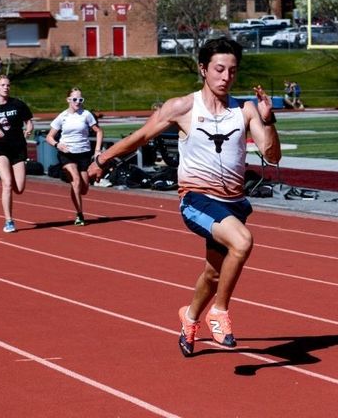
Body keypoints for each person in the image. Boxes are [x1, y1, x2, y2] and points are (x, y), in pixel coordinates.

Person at [88, 36, 280, 356]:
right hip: (197, 199)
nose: (225, 77)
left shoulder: (244, 110)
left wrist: (269, 119)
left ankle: (190, 318)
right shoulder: (183, 107)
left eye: (232, 71)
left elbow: (272, 155)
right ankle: (219, 312)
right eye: (219, 69)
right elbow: (139, 137)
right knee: (243, 241)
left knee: (214, 272)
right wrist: (101, 161)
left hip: (233, 202)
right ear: (203, 69)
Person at [0, 74, 34, 233]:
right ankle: (9, 221)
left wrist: (29, 130)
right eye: (3, 85)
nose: (6, 88)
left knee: (19, 188)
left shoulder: (18, 104)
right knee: (8, 184)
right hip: (0, 150)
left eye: (8, 85)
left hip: (18, 148)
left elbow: (29, 122)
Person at [45, 86, 103, 226]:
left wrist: (97, 151)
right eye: (75, 99)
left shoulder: (86, 114)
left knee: (84, 188)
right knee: (76, 181)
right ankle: (79, 214)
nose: (78, 102)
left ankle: (75, 189)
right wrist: (58, 145)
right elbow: (49, 137)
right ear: (68, 100)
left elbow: (99, 132)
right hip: (67, 154)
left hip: (83, 153)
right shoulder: (62, 116)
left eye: (80, 99)